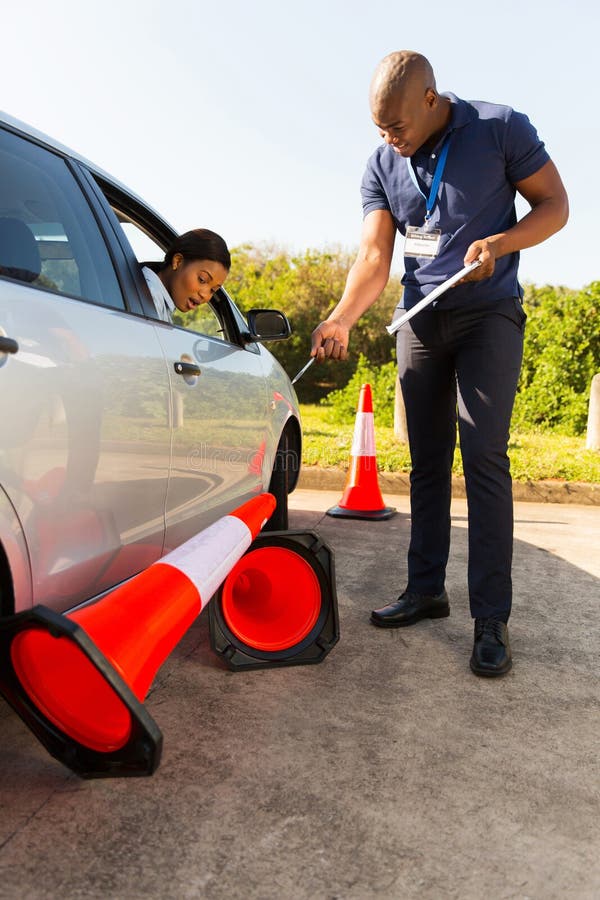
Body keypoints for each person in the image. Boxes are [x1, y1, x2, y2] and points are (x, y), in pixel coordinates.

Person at [310, 51, 568, 677]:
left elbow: (555, 206)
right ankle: (426, 590)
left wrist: (500, 245)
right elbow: (375, 254)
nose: (388, 141)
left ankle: (491, 619)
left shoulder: (500, 127)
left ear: (430, 99)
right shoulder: (382, 162)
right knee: (426, 461)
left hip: (488, 314)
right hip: (419, 320)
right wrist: (342, 316)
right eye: (379, 130)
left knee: (482, 457)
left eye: (396, 126)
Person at [142, 228, 231, 322]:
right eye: (202, 280)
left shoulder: (156, 299)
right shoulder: (149, 297)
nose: (205, 295)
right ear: (178, 261)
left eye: (213, 290)